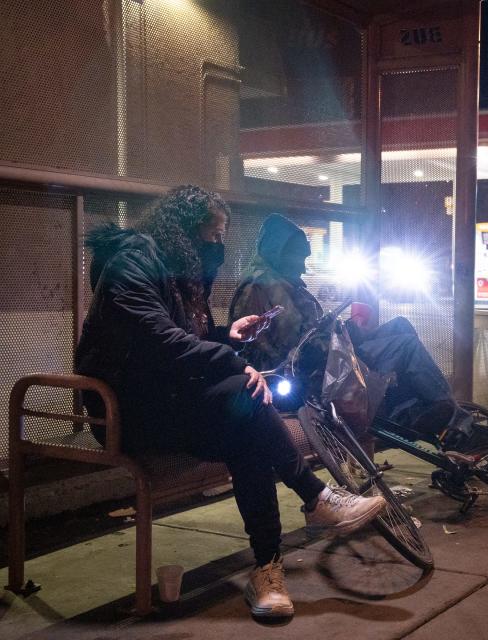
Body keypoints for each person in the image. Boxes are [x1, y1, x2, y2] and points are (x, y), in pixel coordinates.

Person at [75, 186, 386, 620]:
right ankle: (316, 499)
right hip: (126, 411)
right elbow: (160, 344)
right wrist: (236, 366)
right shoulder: (133, 264)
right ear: (184, 230)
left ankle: (267, 568)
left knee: (247, 426)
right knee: (246, 397)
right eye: (213, 235)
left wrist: (226, 335)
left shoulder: (175, 268)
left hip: (168, 400)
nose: (218, 245)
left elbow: (183, 342)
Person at [228, 214, 488, 456]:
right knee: (404, 347)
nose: (304, 265)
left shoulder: (284, 282)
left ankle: (430, 411)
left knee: (401, 325)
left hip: (328, 354)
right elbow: (291, 345)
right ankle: (458, 425)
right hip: (316, 371)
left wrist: (345, 331)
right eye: (299, 258)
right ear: (281, 253)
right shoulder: (261, 288)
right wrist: (339, 339)